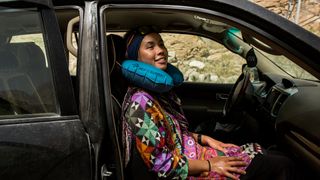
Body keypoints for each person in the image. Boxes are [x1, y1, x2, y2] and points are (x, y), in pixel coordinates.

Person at [121, 26, 299, 180]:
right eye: (150, 47)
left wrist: (205, 139)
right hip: (190, 171)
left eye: (161, 44)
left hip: (195, 154)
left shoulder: (158, 94)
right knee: (282, 165)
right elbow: (161, 165)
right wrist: (209, 165)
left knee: (268, 154)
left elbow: (174, 133)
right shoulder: (140, 104)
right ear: (136, 58)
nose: (160, 50)